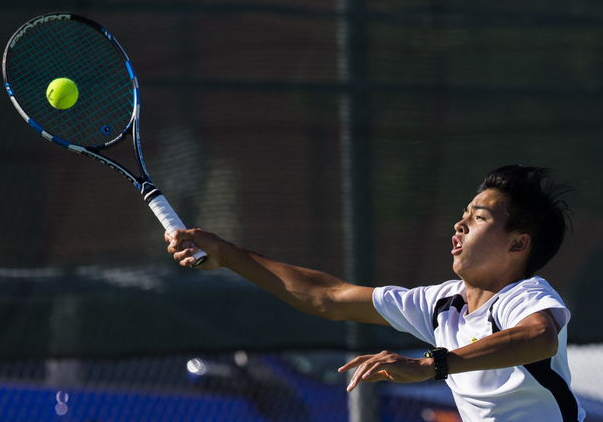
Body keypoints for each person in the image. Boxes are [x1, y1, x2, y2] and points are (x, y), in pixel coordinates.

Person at [165, 165, 585, 422]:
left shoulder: (526, 294)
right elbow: (325, 296)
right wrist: (227, 255)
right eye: (461, 217)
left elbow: (540, 338)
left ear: (518, 244)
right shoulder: (442, 305)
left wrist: (431, 365)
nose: (459, 226)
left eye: (478, 218)